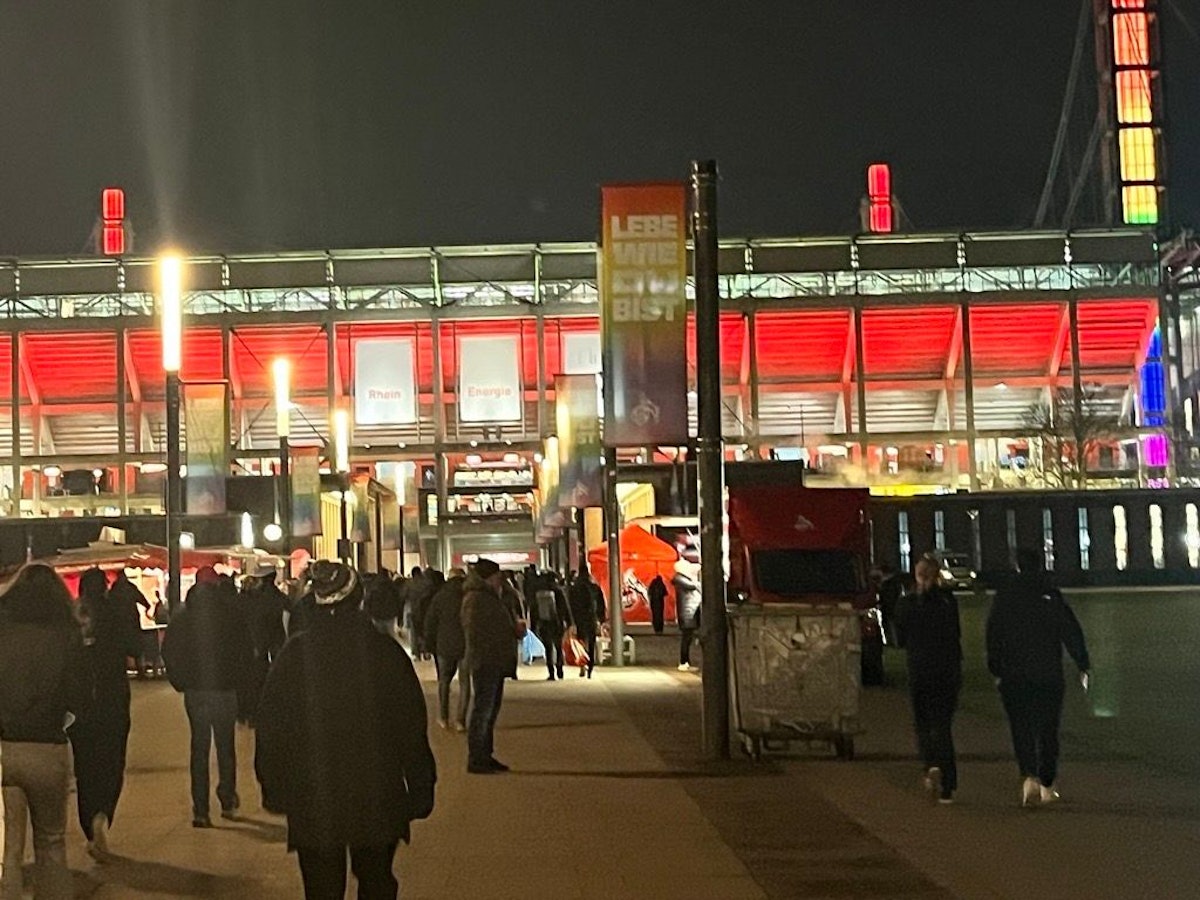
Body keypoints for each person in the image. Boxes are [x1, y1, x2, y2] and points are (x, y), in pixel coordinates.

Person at [256, 560, 436, 899]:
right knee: (377, 879)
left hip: (314, 793)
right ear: (360, 600)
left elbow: (272, 726)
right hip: (376, 789)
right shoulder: (384, 653)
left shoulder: (294, 655)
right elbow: (410, 725)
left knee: (321, 886)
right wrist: (421, 783)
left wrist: (273, 784)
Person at [0, 563, 90, 900]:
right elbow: (81, 695)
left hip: (4, 747)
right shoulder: (65, 634)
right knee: (51, 845)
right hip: (47, 747)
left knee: (7, 849)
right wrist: (64, 718)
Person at [987, 547, 1090, 807]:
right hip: (1047, 672)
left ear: (1017, 566)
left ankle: (1028, 774)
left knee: (1020, 727)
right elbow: (1069, 629)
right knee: (1048, 729)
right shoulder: (1050, 594)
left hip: (1014, 673)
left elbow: (993, 633)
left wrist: (996, 668)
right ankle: (1047, 782)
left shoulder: (1005, 596)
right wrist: (1082, 663)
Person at [161, 567, 253, 828]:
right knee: (226, 747)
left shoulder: (182, 618)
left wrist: (180, 681)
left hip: (196, 691)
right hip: (224, 690)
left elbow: (169, 650)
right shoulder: (230, 615)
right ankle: (227, 799)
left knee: (199, 748)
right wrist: (241, 684)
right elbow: (246, 652)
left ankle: (200, 809)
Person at [68, 567, 142, 859]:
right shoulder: (115, 612)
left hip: (81, 704)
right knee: (113, 762)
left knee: (85, 768)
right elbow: (134, 646)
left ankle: (89, 824)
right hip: (113, 698)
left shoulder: (72, 617)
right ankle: (103, 814)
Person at [894, 553, 962, 805]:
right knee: (943, 726)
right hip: (947, 670)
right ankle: (948, 786)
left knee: (922, 724)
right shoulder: (947, 602)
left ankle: (930, 763)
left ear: (917, 575)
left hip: (920, 669)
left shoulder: (907, 603)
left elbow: (899, 639)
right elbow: (956, 634)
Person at [461, 559, 522, 774]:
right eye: (497, 577)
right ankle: (476, 757)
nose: (501, 581)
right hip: (485, 661)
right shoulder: (477, 599)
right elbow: (475, 632)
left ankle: (485, 754)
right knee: (482, 710)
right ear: (489, 577)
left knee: (490, 710)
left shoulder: (489, 597)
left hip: (494, 660)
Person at [238, 567, 288, 726]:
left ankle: (251, 714)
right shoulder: (282, 600)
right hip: (276, 649)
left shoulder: (253, 600)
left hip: (256, 649)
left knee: (254, 681)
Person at [423, 567, 470, 731]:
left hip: (444, 644)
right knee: (465, 684)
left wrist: (429, 644)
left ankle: (443, 717)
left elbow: (430, 621)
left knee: (444, 681)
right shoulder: (468, 595)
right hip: (465, 643)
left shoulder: (440, 596)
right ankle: (460, 720)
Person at [530, 572, 571, 680]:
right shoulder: (558, 590)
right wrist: (569, 622)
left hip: (544, 623)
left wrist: (534, 626)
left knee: (548, 648)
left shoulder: (539, 592)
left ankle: (551, 672)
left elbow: (534, 610)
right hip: (557, 623)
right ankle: (560, 669)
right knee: (558, 647)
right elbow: (565, 608)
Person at [567, 568, 603, 678]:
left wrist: (570, 621)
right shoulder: (595, 588)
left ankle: (582, 666)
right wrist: (600, 619)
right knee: (591, 644)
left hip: (579, 620)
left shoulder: (574, 589)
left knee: (580, 644)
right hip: (591, 619)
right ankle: (590, 667)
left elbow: (570, 605)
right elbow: (601, 605)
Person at [672, 560, 702, 672]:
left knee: (687, 638)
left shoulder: (681, 580)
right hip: (688, 613)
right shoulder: (683, 581)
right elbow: (695, 586)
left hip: (689, 612)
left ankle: (685, 661)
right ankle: (684, 662)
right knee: (686, 638)